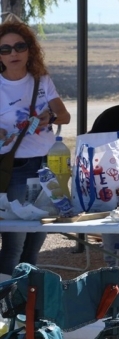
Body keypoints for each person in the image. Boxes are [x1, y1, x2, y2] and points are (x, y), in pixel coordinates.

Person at [0, 19, 71, 280]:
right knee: (13, 244)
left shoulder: (42, 80)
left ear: (30, 49)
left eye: (19, 46)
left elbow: (65, 116)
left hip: (49, 165)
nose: (13, 54)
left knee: (36, 240)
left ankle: (26, 304)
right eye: (5, 49)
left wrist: (49, 118)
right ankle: (4, 308)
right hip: (16, 168)